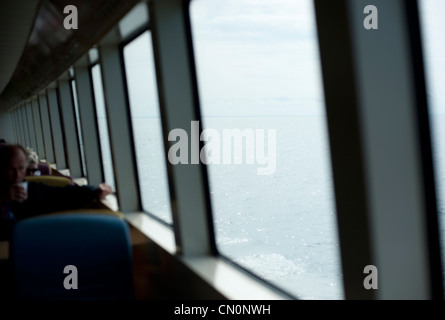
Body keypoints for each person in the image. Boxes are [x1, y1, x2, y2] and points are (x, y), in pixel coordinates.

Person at [0, 143, 113, 240]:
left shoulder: (33, 190)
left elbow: (64, 195)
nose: (17, 175)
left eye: (21, 169)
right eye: (11, 169)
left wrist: (95, 190)